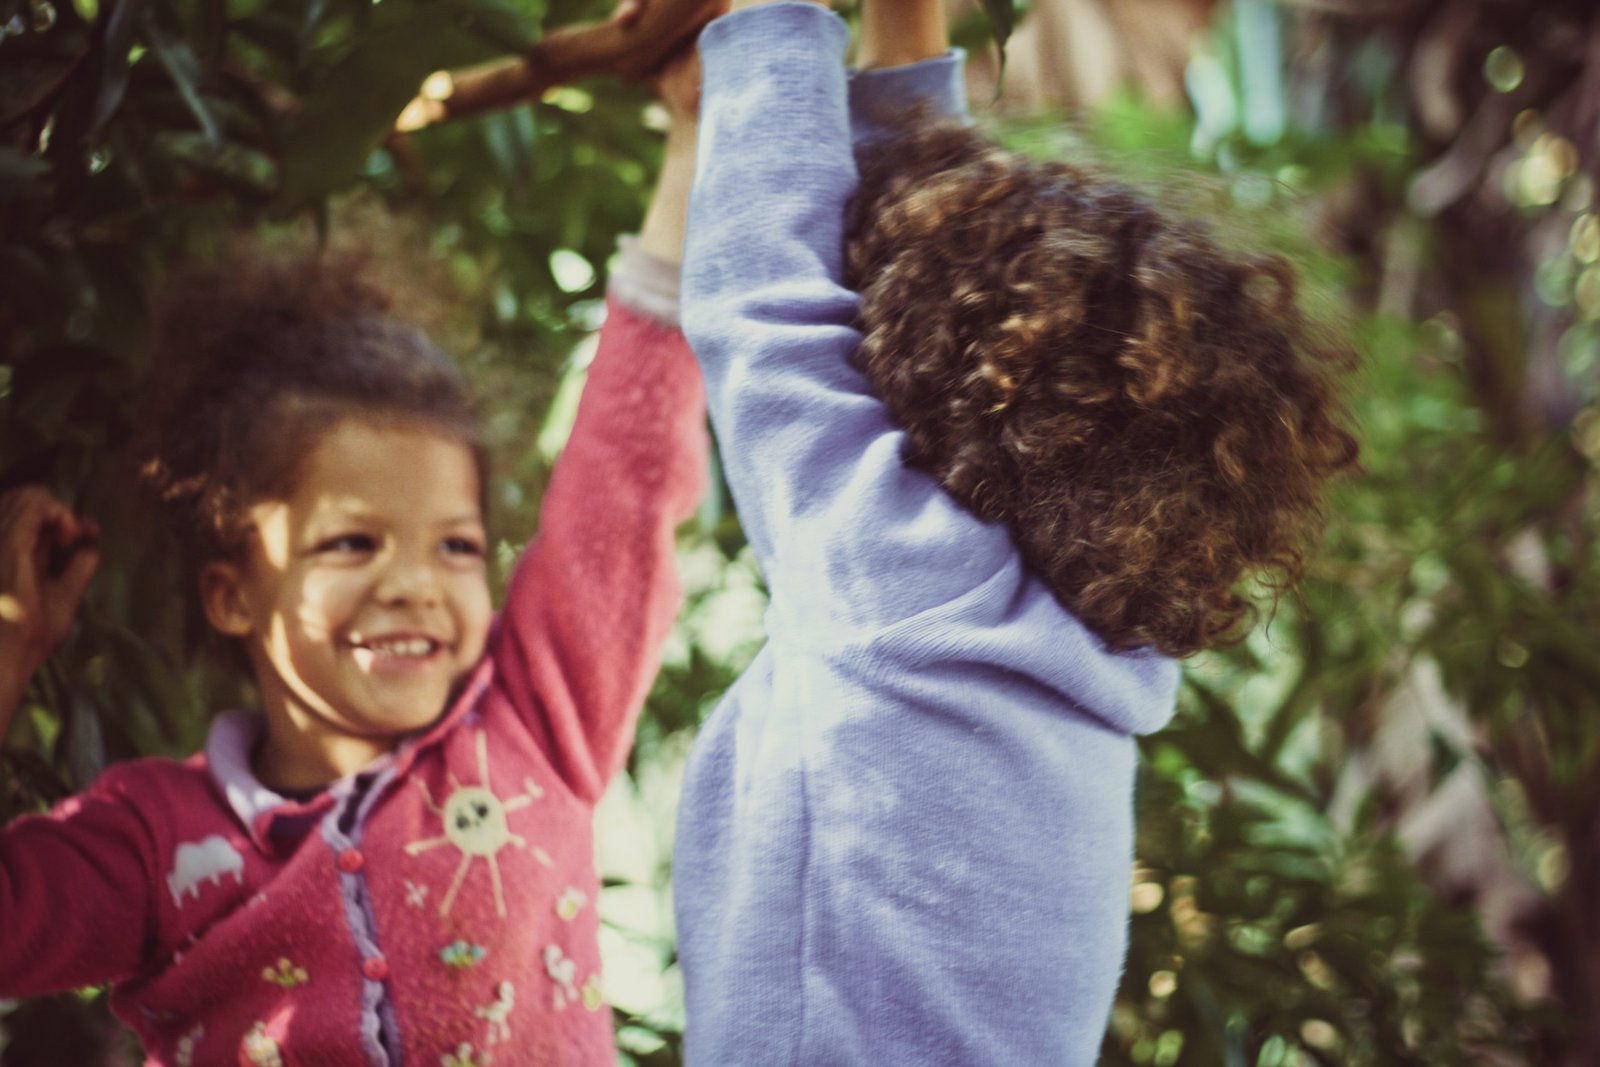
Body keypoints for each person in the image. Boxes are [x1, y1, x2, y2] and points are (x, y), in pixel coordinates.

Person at [672, 0, 1358, 1063]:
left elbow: (762, 309)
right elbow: (864, 246)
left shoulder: (909, 590)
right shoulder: (1092, 643)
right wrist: (904, 25)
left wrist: (772, 24)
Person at [0, 50, 709, 1067]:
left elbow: (627, 475)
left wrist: (690, 138)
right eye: (351, 541)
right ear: (232, 593)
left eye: (456, 545)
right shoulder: (156, 838)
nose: (415, 582)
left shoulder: (539, 720)